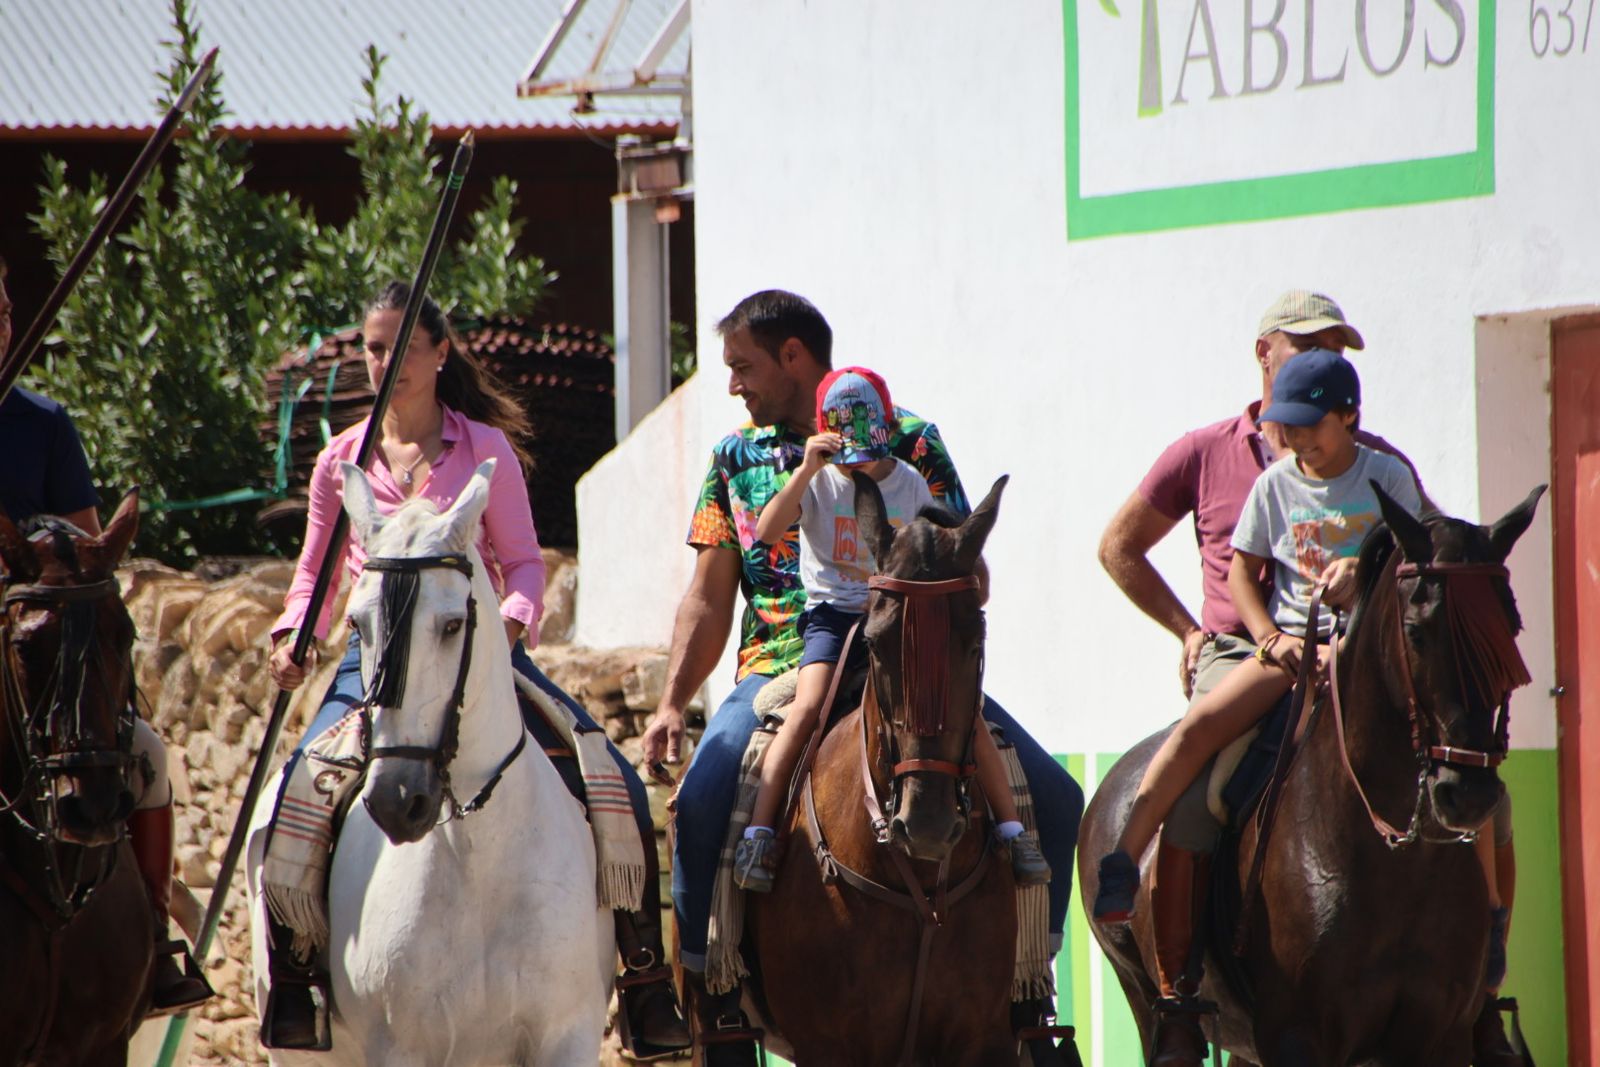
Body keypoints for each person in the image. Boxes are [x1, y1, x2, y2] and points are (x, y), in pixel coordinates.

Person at [642, 290, 1084, 1064]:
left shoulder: (913, 440)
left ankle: (1026, 988)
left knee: (1053, 790)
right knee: (705, 792)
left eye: (743, 366)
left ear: (793, 357)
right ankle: (709, 993)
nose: (735, 384)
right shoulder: (733, 458)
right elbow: (710, 593)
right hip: (786, 658)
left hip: (909, 652)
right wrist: (675, 700)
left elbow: (962, 559)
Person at [262, 281, 690, 1057]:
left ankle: (644, 978)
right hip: (373, 663)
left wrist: (515, 629)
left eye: (400, 345)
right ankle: (298, 979)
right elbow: (316, 575)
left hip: (478, 653)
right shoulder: (341, 460)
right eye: (372, 345)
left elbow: (524, 565)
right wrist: (296, 633)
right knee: (298, 787)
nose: (384, 359)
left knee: (614, 778)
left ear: (439, 353)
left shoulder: (484, 448)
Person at [1099, 340, 1522, 1065]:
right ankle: (1129, 869)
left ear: (1349, 418)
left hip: (1367, 663)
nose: (1292, 439)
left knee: (1491, 796)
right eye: (1284, 427)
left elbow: (1421, 558)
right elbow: (1243, 575)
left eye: (1307, 426)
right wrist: (1269, 639)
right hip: (1293, 653)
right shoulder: (1275, 486)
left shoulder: (1385, 475)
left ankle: (1485, 963)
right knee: (1205, 734)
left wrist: (1366, 571)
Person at [731, 366, 1049, 892]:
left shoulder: (909, 479)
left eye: (872, 449)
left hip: (902, 616)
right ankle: (761, 834)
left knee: (964, 713)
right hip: (833, 615)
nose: (865, 463)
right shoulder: (820, 479)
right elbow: (766, 533)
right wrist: (807, 470)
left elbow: (933, 542)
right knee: (807, 708)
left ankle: (1016, 833)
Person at [0, 254, 213, 1015]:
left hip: (33, 641)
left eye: (1, 310)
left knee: (148, 755)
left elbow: (87, 551)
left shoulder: (44, 424)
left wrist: (37, 553)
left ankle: (154, 938)